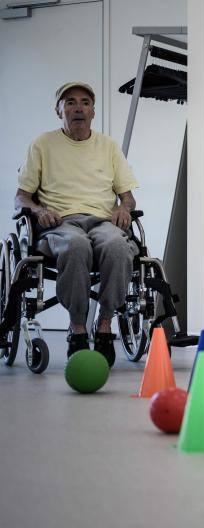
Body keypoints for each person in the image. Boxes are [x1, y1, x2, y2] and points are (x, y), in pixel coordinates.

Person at [16, 81, 139, 367]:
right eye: (70, 102)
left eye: (85, 102)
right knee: (75, 246)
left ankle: (105, 324)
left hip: (102, 221)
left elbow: (128, 197)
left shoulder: (108, 146)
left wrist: (124, 208)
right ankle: (78, 328)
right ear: (59, 110)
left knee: (118, 247)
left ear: (93, 112)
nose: (78, 107)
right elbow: (21, 197)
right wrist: (37, 210)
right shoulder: (43, 144)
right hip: (60, 222)